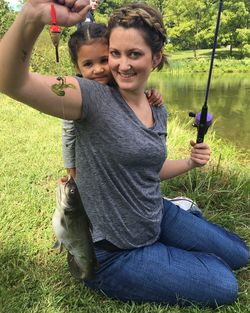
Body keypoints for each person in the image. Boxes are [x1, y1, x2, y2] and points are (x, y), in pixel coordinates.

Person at [0, 0, 248, 308]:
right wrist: (32, 16)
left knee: (241, 254)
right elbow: (10, 80)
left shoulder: (157, 108)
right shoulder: (89, 98)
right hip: (113, 251)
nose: (121, 64)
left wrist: (189, 162)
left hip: (154, 214)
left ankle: (170, 240)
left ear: (156, 57)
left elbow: (147, 170)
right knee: (225, 284)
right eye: (114, 53)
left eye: (134, 54)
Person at [63, 24, 164, 180]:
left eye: (104, 60)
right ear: (77, 67)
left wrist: (150, 94)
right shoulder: (79, 95)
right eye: (88, 64)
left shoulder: (117, 84)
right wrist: (71, 169)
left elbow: (133, 94)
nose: (98, 70)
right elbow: (68, 133)